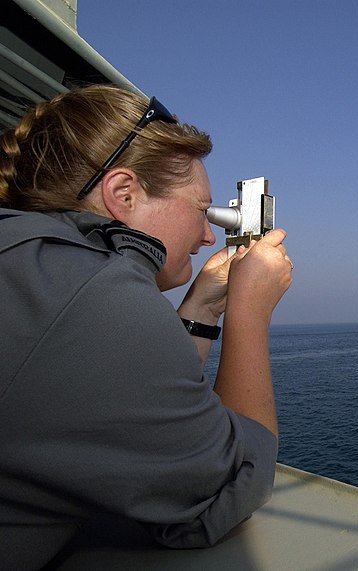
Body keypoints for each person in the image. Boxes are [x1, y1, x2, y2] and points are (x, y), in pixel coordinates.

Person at [0, 85, 292, 570]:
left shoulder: (42, 267)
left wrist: (202, 305)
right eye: (201, 210)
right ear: (123, 193)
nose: (206, 234)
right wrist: (249, 310)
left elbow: (132, 403)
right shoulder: (93, 294)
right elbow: (225, 487)